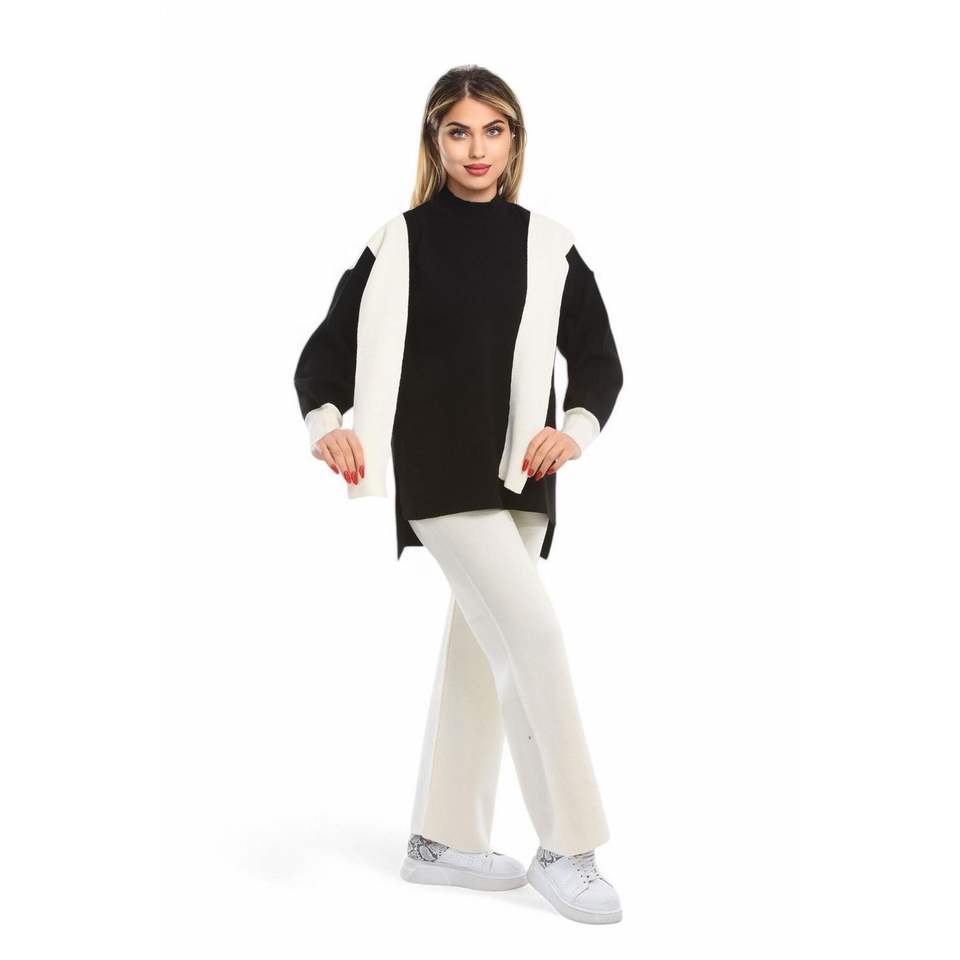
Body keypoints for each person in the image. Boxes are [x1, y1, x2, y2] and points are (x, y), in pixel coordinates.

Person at [293, 65, 624, 925]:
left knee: (482, 645)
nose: (477, 149)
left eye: (493, 130)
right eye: (459, 131)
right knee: (535, 635)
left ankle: (439, 840)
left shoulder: (548, 243)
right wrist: (328, 424)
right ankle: (568, 846)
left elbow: (599, 361)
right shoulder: (399, 242)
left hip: (522, 477)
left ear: (514, 141)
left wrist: (574, 430)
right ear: (434, 141)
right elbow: (323, 359)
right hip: (439, 475)